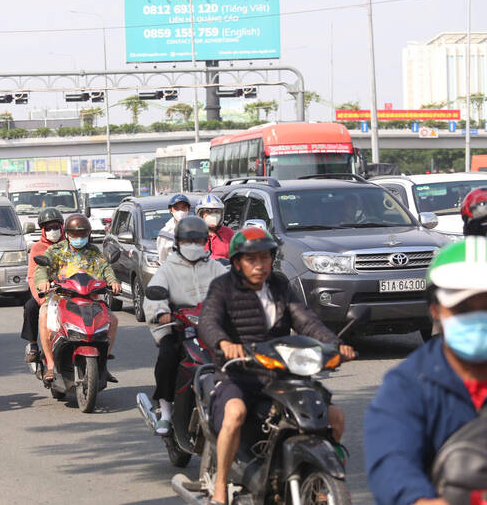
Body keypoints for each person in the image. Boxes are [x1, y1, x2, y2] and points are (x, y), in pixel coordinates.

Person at [196, 227, 355, 505]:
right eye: (251, 259)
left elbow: (305, 321)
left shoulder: (280, 286)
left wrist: (333, 345)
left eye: (265, 258)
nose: (259, 265)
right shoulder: (222, 288)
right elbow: (209, 321)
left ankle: (317, 477)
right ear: (236, 262)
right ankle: (221, 484)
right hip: (238, 371)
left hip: (280, 372)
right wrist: (223, 343)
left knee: (335, 417)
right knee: (235, 413)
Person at [365, 236, 487, 505]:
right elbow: (392, 462)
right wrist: (419, 500)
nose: (479, 317)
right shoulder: (407, 385)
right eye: (463, 308)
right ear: (436, 311)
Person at [143, 216, 227, 435]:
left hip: (212, 326)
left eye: (198, 240)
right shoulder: (168, 268)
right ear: (178, 242)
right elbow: (154, 295)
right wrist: (161, 313)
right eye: (187, 241)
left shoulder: (214, 266)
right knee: (167, 356)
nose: (193, 245)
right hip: (177, 327)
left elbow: (233, 288)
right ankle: (166, 412)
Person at [34, 214, 121, 382]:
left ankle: (102, 365)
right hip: (61, 298)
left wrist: (113, 281)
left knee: (113, 320)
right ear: (67, 234)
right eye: (74, 235)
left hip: (90, 298)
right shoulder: (56, 250)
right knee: (44, 317)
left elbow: (105, 267)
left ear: (88, 234)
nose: (78, 238)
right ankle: (51, 365)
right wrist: (43, 281)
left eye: (82, 235)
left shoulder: (94, 251)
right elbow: (41, 269)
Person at [22, 208, 65, 363]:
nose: (53, 231)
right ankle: (33, 344)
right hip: (46, 293)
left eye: (56, 227)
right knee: (30, 307)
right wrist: (42, 298)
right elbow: (33, 276)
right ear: (42, 230)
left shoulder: (69, 246)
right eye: (48, 228)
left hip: (70, 291)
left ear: (62, 227)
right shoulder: (37, 248)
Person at [196, 194, 234, 260]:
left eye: (216, 212)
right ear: (201, 215)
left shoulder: (228, 233)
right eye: (208, 212)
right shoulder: (194, 234)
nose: (213, 215)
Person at [157, 193, 191, 264]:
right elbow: (162, 259)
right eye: (177, 208)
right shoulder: (165, 233)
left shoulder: (196, 228)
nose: (180, 211)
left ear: (188, 209)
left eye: (183, 208)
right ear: (171, 210)